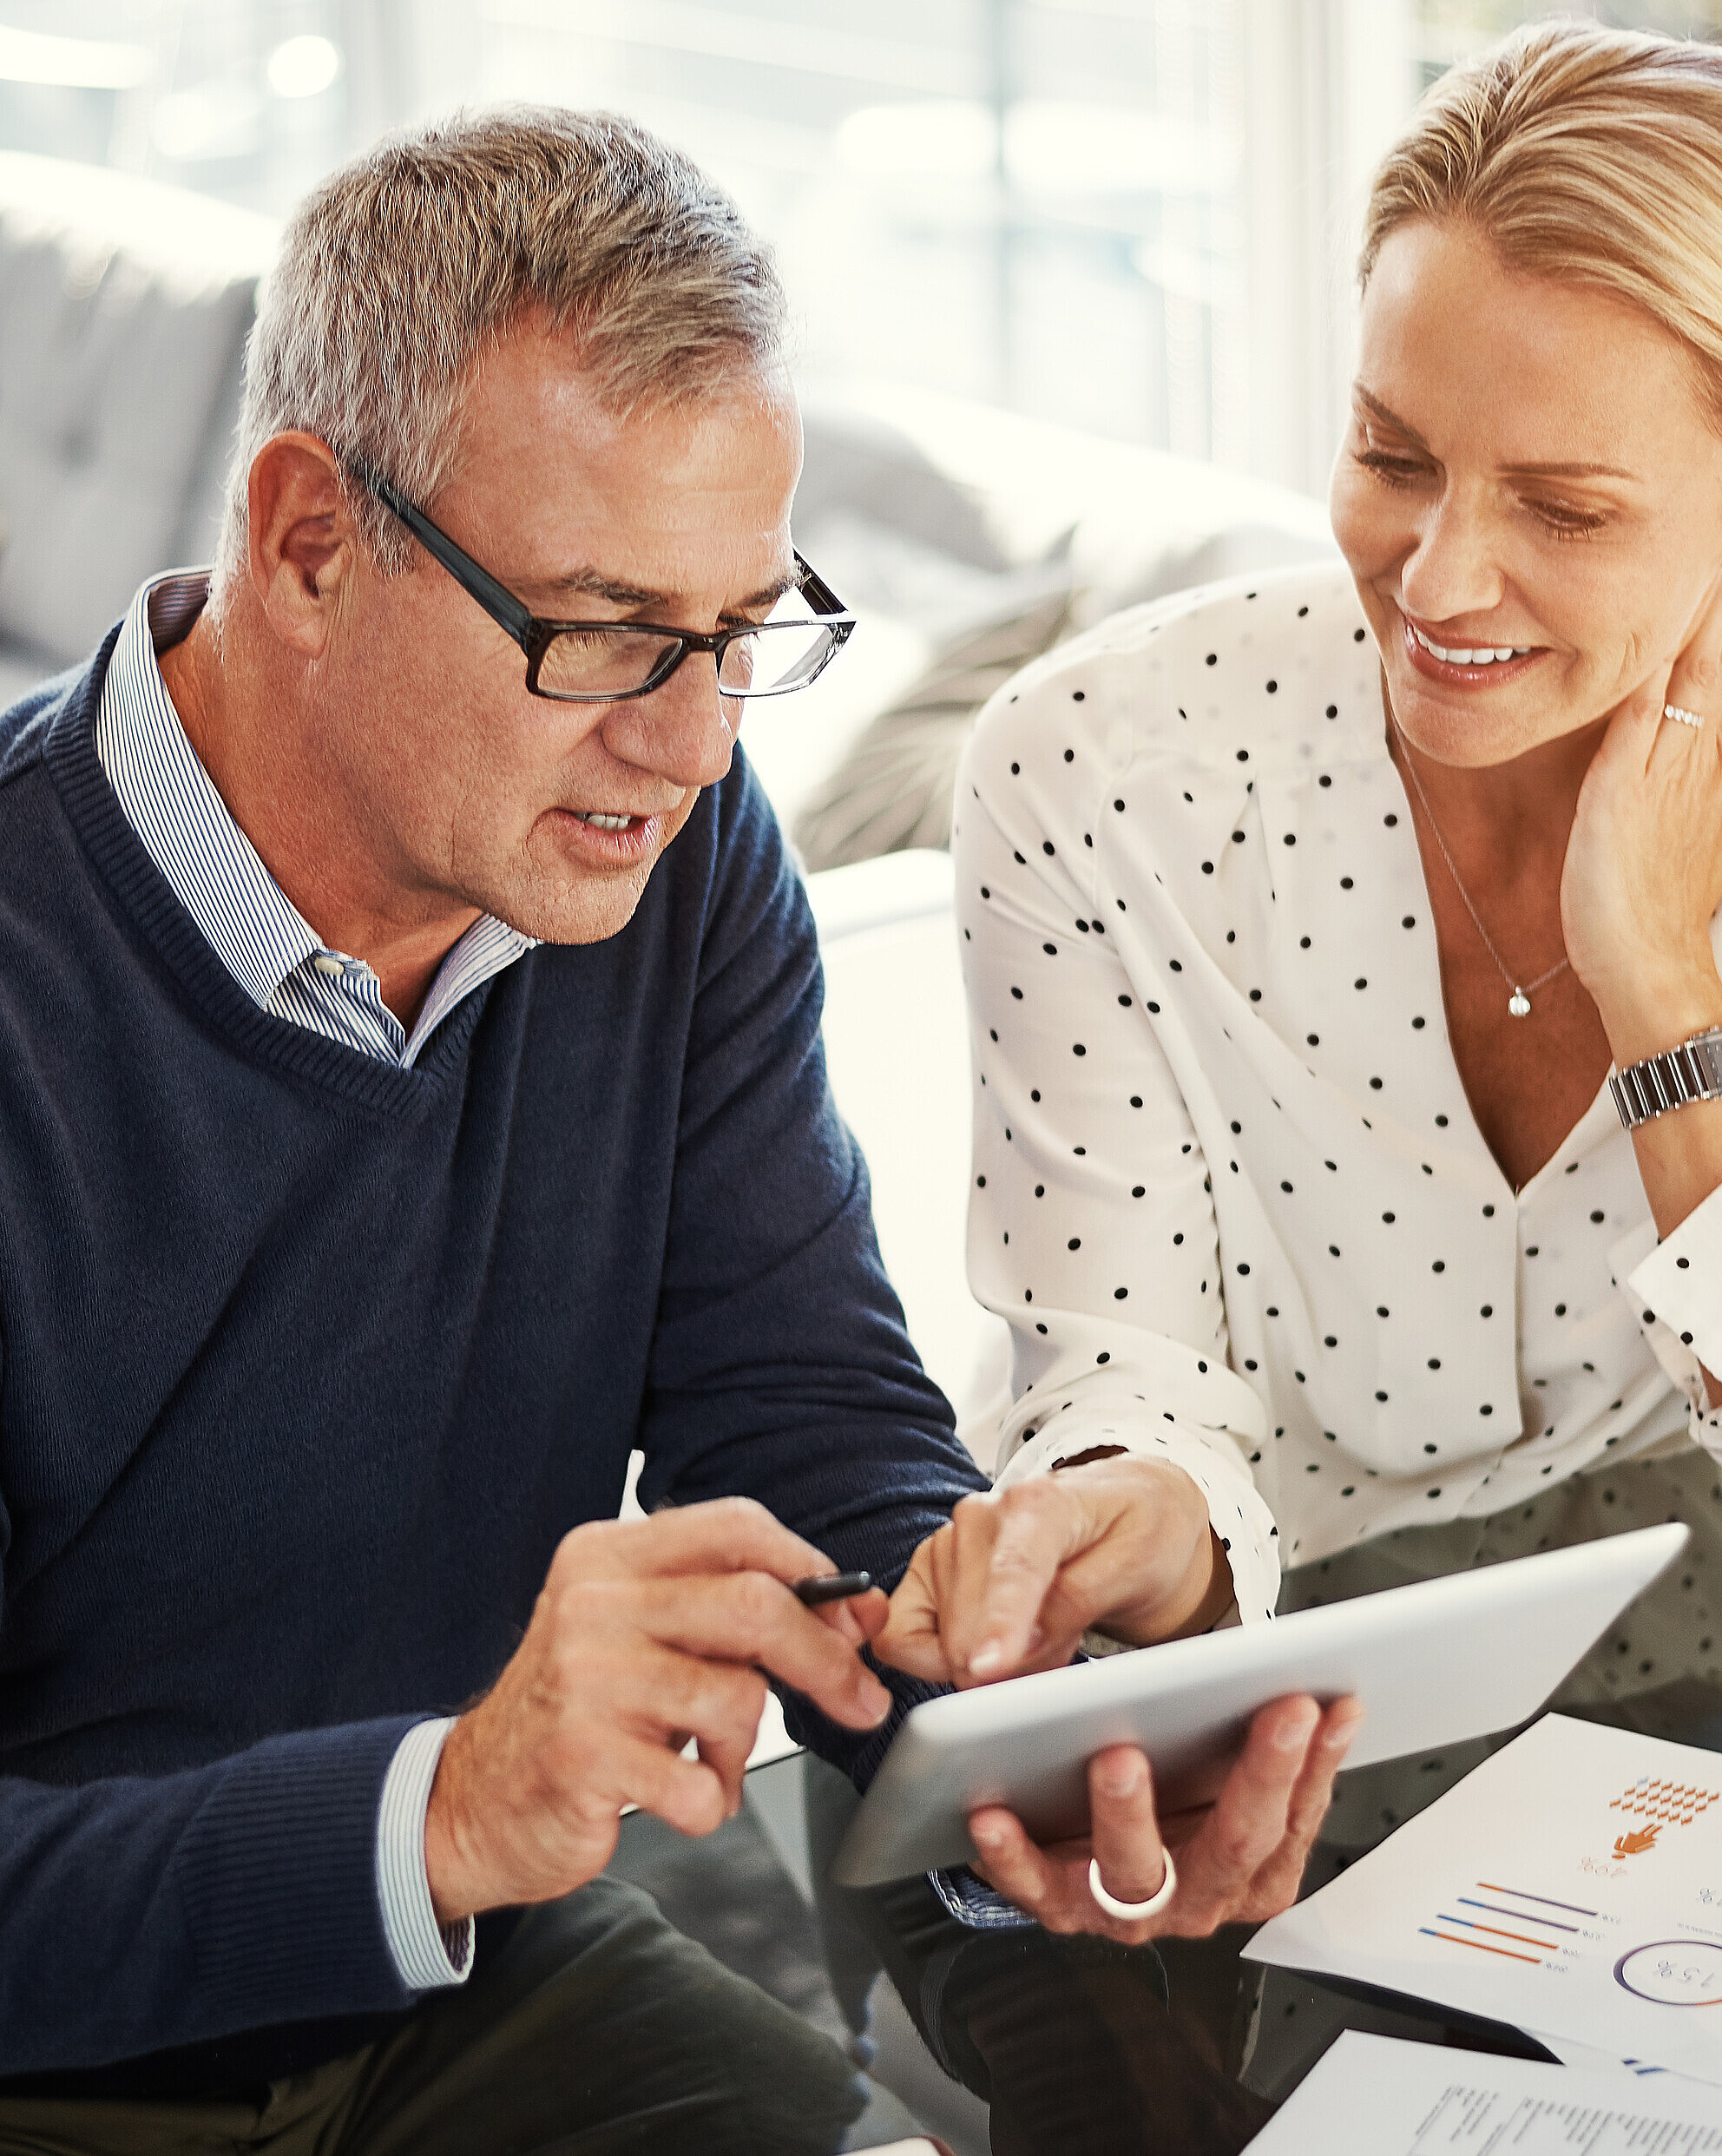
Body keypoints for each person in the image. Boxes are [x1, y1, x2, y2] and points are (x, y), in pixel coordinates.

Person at [0, 108, 1352, 2153]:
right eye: (610, 632)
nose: (694, 739)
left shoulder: (665, 852)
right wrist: (448, 1806)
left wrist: (1032, 1703)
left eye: (743, 633)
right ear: (304, 543)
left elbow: (801, 1411)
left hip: (446, 1970)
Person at [953, 20, 1722, 1843]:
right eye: (1393, 456)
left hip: (1673, 1681)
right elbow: (1120, 1367)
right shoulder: (1100, 770)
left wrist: (1666, 998)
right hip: (1192, 1678)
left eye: (1564, 506)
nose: (1441, 576)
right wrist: (1123, 1513)